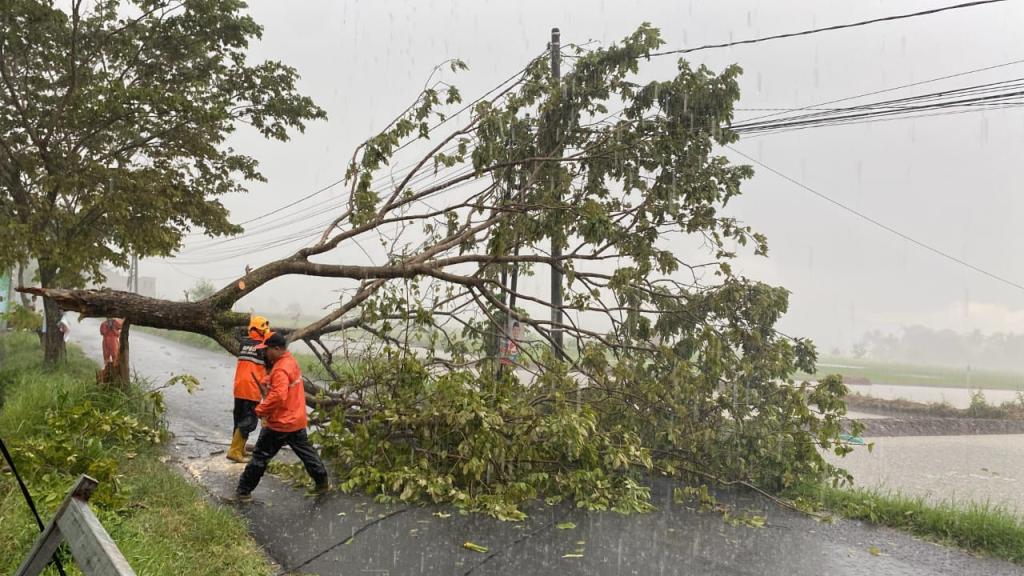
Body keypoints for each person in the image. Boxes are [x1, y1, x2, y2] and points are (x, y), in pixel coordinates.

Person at [235, 332, 329, 501]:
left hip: (280, 423)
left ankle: (243, 493)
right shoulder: (289, 361)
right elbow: (280, 380)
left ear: (277, 348)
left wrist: (260, 410)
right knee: (308, 454)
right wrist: (267, 380)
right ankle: (323, 483)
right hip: (296, 420)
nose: (265, 353)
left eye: (268, 349)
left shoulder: (280, 369)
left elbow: (278, 395)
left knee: (259, 458)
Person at [227, 315, 271, 463]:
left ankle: (240, 448)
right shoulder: (264, 348)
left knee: (239, 418)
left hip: (239, 387)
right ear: (260, 330)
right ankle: (234, 451)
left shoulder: (243, 343)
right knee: (249, 420)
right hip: (252, 389)